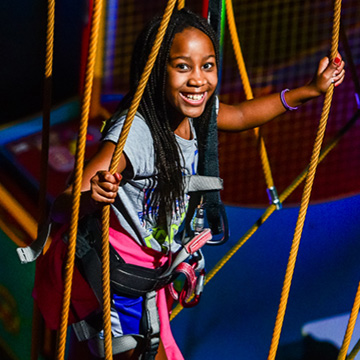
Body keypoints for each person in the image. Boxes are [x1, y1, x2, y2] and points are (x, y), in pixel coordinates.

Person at [48, 7, 345, 360]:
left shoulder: (197, 112)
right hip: (119, 279)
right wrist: (93, 195)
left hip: (150, 270)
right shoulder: (136, 135)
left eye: (207, 66)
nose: (198, 80)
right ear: (157, 70)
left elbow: (242, 115)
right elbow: (65, 203)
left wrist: (309, 90)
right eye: (182, 66)